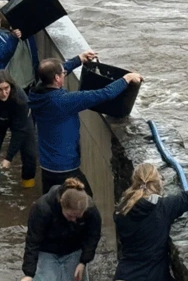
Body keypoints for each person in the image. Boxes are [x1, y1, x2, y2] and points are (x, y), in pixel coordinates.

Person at [28, 52, 143, 196]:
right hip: (65, 168)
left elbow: (54, 70)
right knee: (86, 202)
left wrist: (78, 60)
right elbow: (104, 94)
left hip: (47, 166)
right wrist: (126, 79)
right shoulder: (64, 101)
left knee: (52, 205)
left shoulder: (36, 93)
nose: (64, 73)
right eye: (62, 73)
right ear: (57, 78)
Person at [16, 178, 101, 281]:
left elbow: (92, 236)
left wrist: (83, 261)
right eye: (70, 216)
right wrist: (29, 273)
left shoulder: (90, 210)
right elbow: (32, 241)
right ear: (62, 204)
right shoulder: (42, 208)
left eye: (78, 217)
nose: (74, 220)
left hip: (74, 250)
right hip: (47, 250)